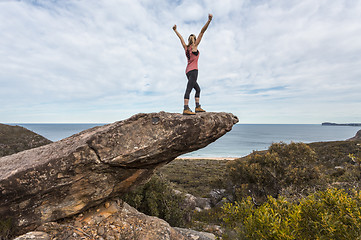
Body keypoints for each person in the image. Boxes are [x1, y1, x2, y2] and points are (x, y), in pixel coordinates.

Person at [173, 14, 213, 115]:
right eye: (193, 37)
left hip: (187, 71)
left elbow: (180, 38)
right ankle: (186, 108)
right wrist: (209, 21)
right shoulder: (194, 46)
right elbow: (202, 32)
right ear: (194, 40)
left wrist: (175, 30)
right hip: (194, 70)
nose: (193, 38)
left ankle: (197, 107)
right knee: (189, 89)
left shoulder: (186, 48)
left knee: (197, 89)